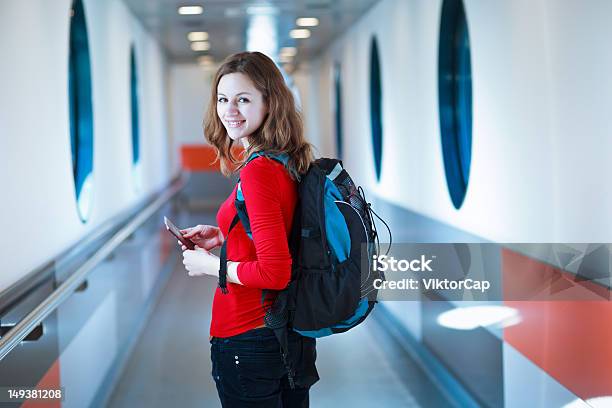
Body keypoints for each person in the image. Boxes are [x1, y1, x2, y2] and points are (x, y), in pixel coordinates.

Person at [177, 51, 318, 408]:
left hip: (248, 335)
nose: (230, 110)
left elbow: (275, 271)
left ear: (269, 102)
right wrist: (225, 236)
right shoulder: (285, 159)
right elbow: (281, 229)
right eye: (223, 99)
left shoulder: (258, 170)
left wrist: (211, 266)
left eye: (243, 99)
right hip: (284, 334)